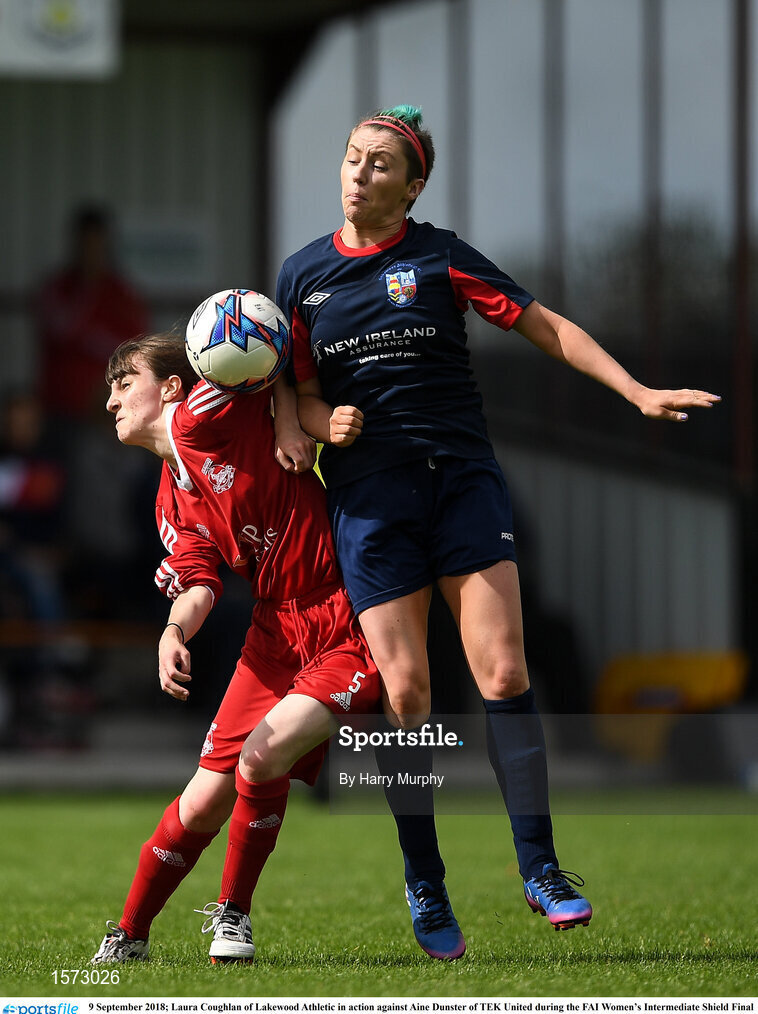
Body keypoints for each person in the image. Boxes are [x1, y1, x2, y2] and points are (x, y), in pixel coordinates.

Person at [276, 104, 721, 959]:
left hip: (461, 485)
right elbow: (293, 393)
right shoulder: (302, 277)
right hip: (371, 503)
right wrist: (315, 423)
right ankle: (424, 877)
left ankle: (541, 866)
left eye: (380, 165)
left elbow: (545, 326)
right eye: (352, 159)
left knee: (505, 668)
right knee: (405, 697)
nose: (359, 174)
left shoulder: (441, 257)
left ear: (413, 187)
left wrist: (634, 392)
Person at [90, 332, 382, 964]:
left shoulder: (200, 413)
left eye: (123, 383)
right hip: (274, 630)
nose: (110, 401)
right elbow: (198, 586)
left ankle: (235, 919)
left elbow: (264, 337)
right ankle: (130, 936)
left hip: (346, 612)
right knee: (201, 798)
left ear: (171, 387)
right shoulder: (171, 497)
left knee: (260, 757)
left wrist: (285, 418)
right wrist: (172, 632)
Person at [36, 204, 150, 424]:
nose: (91, 250)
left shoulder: (122, 292)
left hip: (108, 410)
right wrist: (87, 290)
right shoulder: (57, 288)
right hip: (60, 407)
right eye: (86, 243)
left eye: (97, 243)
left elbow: (136, 347)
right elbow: (61, 329)